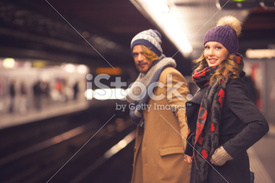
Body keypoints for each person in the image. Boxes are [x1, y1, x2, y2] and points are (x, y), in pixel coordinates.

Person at [184, 16, 269, 183]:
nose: (210, 53)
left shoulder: (231, 85)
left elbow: (259, 124)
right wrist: (190, 149)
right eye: (207, 47)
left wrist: (226, 151)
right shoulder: (210, 81)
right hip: (207, 161)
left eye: (218, 47)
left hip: (223, 170)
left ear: (229, 52)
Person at [126, 29, 191, 183]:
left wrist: (190, 149)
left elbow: (184, 114)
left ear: (154, 53)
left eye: (145, 53)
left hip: (169, 164)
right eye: (135, 54)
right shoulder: (143, 81)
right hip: (150, 159)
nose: (140, 58)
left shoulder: (169, 75)